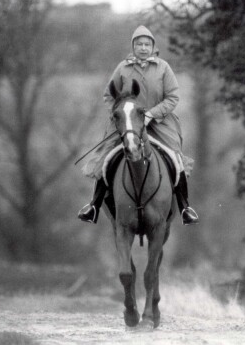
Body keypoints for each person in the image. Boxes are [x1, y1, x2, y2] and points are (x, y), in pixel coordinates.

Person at [78, 25, 200, 225]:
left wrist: (152, 114)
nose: (143, 48)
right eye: (139, 44)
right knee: (106, 156)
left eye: (147, 44)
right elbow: (109, 95)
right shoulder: (123, 68)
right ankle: (93, 206)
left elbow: (173, 97)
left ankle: (185, 206)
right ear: (133, 46)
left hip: (159, 122)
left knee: (176, 157)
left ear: (153, 46)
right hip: (128, 122)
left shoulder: (163, 68)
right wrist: (120, 115)